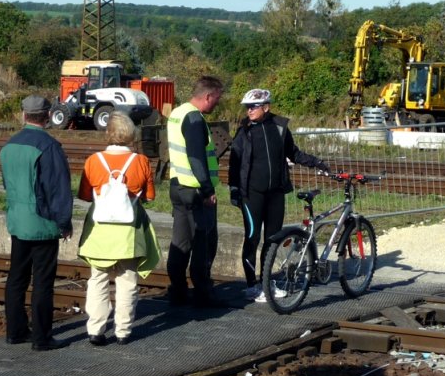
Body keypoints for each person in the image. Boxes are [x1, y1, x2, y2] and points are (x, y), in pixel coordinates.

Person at [228, 88, 329, 302]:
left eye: (253, 107)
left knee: (272, 239)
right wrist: (234, 190)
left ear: (266, 107)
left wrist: (317, 162)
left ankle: (266, 283)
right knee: (252, 237)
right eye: (247, 107)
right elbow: (234, 162)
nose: (249, 111)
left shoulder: (280, 127)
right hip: (251, 193)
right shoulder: (244, 131)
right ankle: (252, 285)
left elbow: (294, 153)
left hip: (275, 193)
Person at [77, 112, 160, 346]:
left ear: (108, 133)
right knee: (127, 280)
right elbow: (150, 197)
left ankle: (95, 329)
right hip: (129, 232)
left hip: (99, 231)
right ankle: (123, 331)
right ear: (131, 134)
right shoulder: (141, 161)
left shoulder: (94, 161)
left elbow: (85, 195)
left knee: (98, 279)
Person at [0, 95, 74, 351]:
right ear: (48, 115)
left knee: (16, 278)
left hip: (17, 220)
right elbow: (58, 189)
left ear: (23, 115)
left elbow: (7, 183)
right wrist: (64, 222)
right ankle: (42, 338)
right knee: (42, 281)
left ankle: (15, 332)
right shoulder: (49, 146)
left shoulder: (9, 145)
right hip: (43, 224)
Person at [165, 74, 224, 307]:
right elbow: (196, 157)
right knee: (204, 242)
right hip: (196, 191)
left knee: (180, 242)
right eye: (217, 98)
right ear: (208, 96)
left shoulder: (177, 113)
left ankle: (178, 291)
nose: (217, 103)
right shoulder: (194, 119)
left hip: (178, 186)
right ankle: (203, 294)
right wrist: (208, 190)